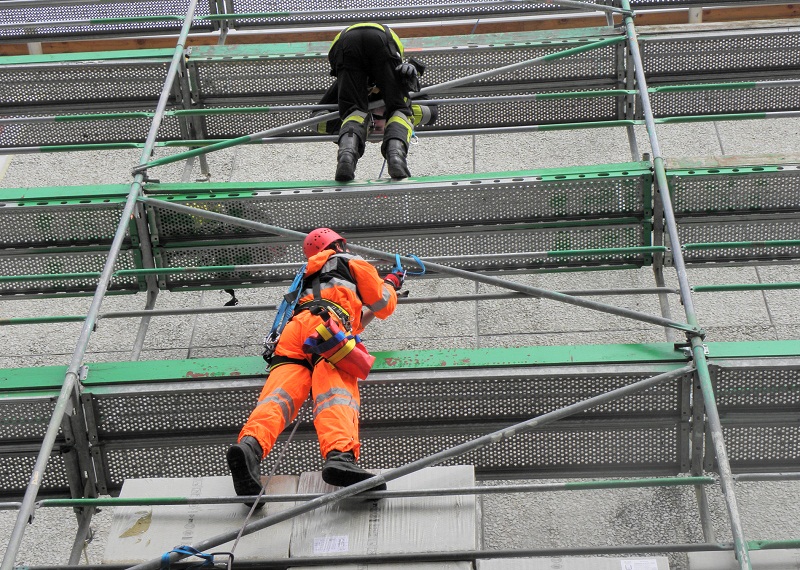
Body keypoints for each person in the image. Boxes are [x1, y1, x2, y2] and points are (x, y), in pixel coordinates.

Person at [226, 228, 405, 501]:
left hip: (293, 335)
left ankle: (250, 448)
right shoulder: (351, 262)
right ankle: (340, 457)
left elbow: (352, 323)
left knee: (278, 398)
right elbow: (383, 306)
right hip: (325, 330)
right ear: (340, 244)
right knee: (335, 395)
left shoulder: (306, 273)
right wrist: (391, 282)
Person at [319, 22, 427, 182]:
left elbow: (317, 120)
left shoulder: (355, 112)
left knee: (352, 113)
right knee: (401, 111)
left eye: (369, 128)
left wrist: (344, 126)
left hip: (346, 41)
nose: (372, 123)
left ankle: (346, 158)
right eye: (377, 127)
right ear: (391, 129)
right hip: (380, 39)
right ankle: (396, 157)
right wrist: (409, 78)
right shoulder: (396, 83)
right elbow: (431, 112)